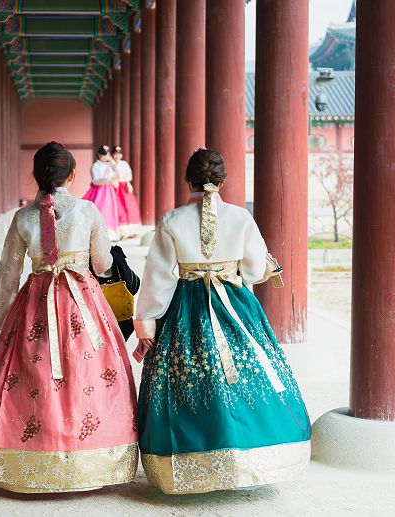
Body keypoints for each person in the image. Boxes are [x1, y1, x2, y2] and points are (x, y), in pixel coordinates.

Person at [132, 148, 311, 494]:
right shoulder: (241, 218)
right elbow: (256, 269)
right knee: (247, 371)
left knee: (189, 379)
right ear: (222, 181)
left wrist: (148, 323)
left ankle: (191, 461)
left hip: (185, 307)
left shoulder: (172, 221)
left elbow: (160, 278)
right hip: (234, 305)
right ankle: (249, 454)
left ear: (188, 180)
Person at [0, 142, 138, 493]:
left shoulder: (22, 217)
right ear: (74, 175)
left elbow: (8, 271)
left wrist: (5, 319)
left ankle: (27, 453)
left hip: (35, 298)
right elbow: (104, 264)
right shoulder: (88, 211)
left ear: (36, 176)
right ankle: (90, 455)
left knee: (31, 374)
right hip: (82, 298)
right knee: (89, 371)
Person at [83, 145, 120, 241]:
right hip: (99, 191)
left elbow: (116, 175)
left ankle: (109, 233)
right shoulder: (95, 166)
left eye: (106, 154)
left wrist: (114, 166)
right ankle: (97, 233)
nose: (104, 157)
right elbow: (95, 180)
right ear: (99, 154)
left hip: (109, 191)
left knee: (109, 211)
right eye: (103, 154)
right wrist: (108, 179)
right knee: (99, 209)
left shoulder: (108, 165)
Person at [109, 145, 141, 238]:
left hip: (123, 188)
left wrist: (125, 180)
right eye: (115, 154)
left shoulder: (124, 164)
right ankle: (119, 232)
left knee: (128, 207)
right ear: (112, 155)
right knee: (117, 208)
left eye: (119, 154)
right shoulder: (110, 164)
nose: (117, 156)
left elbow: (129, 176)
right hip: (114, 188)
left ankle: (129, 231)